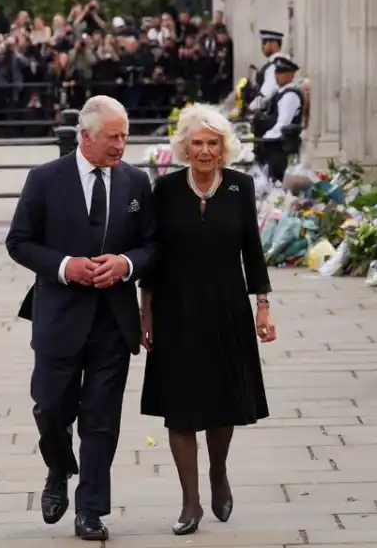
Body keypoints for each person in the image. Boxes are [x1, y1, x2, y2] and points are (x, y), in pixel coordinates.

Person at [5, 95, 156, 542]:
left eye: (125, 136)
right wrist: (64, 266)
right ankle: (58, 467)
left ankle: (90, 510)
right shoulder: (45, 179)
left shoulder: (135, 182)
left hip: (114, 321)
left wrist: (126, 265)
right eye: (113, 137)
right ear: (85, 136)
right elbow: (18, 241)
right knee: (50, 409)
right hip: (59, 318)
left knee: (101, 420)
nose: (121, 145)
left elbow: (152, 245)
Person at [139, 103, 277, 536]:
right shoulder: (164, 190)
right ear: (184, 146)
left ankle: (218, 471)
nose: (203, 151)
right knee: (179, 409)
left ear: (223, 147)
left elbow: (251, 250)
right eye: (196, 143)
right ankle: (190, 501)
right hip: (175, 309)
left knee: (222, 405)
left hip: (226, 308)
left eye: (211, 143)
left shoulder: (240, 187)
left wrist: (263, 305)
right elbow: (153, 255)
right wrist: (146, 311)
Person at [254, 55, 304, 182]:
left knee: (277, 181)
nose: (277, 76)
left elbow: (283, 124)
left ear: (291, 75)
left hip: (282, 147)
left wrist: (264, 138)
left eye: (282, 73)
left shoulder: (290, 95)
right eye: (276, 72)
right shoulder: (281, 92)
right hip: (277, 145)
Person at [246, 29, 285, 113]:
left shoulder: (275, 66)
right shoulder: (276, 62)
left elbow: (266, 94)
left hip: (270, 113)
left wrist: (250, 108)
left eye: (264, 43)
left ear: (273, 44)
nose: (262, 47)